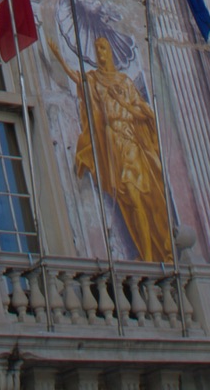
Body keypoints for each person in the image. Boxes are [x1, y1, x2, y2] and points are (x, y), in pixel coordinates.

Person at [73, 39, 175, 263]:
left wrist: (123, 102)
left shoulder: (125, 82)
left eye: (103, 48)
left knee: (140, 198)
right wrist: (60, 59)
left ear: (110, 52)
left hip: (130, 142)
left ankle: (150, 256)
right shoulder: (95, 80)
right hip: (113, 143)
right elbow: (79, 81)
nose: (100, 52)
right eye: (97, 49)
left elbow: (144, 114)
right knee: (127, 200)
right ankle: (146, 254)